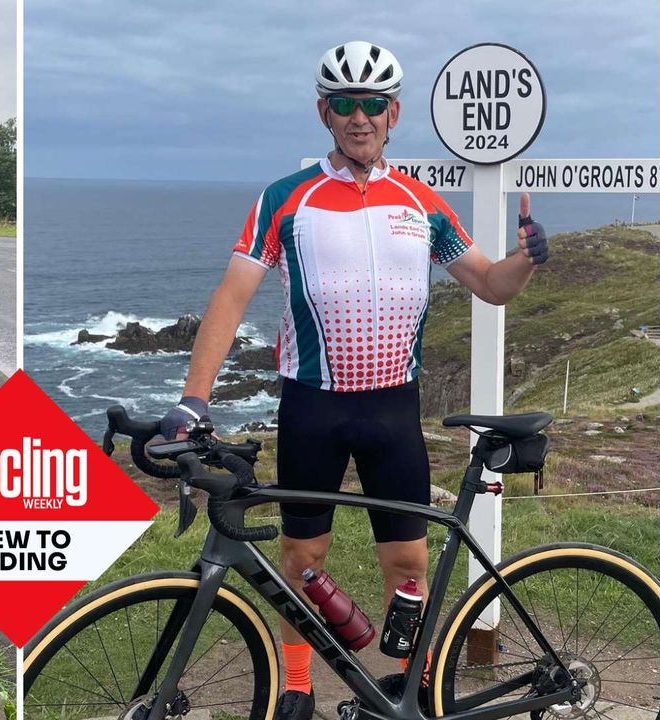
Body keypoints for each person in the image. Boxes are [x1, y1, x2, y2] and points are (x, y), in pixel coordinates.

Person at [160, 41, 549, 720]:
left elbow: (490, 285)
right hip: (312, 406)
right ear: (324, 113)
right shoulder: (287, 198)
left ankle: (410, 683)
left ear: (393, 113)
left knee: (407, 563)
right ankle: (298, 683)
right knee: (302, 554)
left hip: (393, 410)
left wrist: (527, 259)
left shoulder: (422, 204)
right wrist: (194, 398)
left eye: (372, 104)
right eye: (344, 104)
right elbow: (231, 296)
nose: (359, 117)